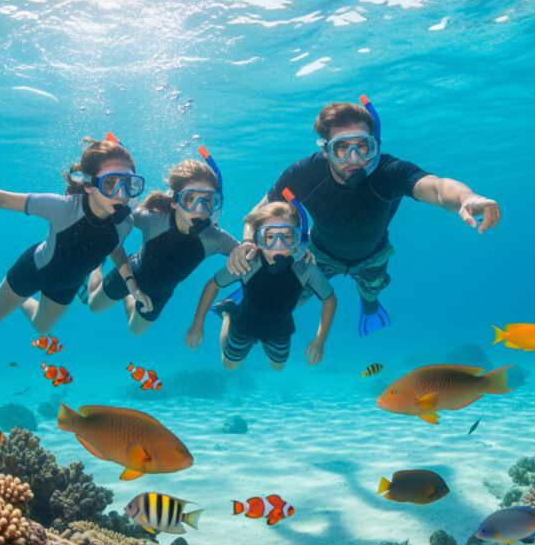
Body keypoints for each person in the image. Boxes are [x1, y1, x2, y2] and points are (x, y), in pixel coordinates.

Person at [227, 97, 501, 336]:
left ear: (375, 145)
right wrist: (248, 243)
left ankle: (369, 305)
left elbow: (438, 188)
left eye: (363, 146)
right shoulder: (304, 174)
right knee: (291, 300)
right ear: (325, 150)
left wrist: (467, 198)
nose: (354, 158)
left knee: (371, 291)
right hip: (319, 254)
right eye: (341, 147)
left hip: (374, 256)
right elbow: (256, 214)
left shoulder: (390, 171)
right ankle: (248, 307)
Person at [0, 134, 145, 333]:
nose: (121, 194)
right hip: (33, 272)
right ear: (89, 185)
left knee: (41, 328)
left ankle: (20, 300)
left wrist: (131, 284)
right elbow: (2, 199)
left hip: (67, 285)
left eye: (129, 184)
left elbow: (115, 248)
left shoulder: (125, 222)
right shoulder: (63, 208)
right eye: (110, 183)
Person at [86, 156, 238, 336]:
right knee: (94, 306)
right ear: (175, 201)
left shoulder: (216, 238)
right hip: (131, 273)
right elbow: (112, 210)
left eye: (207, 200)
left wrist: (248, 247)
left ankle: (130, 295)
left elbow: (249, 252)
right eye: (190, 198)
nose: (199, 209)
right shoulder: (154, 219)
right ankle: (97, 265)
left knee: (135, 331)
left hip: (160, 293)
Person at [186, 196, 337, 371]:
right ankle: (227, 312)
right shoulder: (249, 263)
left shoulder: (306, 269)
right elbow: (213, 285)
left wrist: (320, 340)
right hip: (243, 325)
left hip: (280, 330)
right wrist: (197, 323)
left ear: (298, 240)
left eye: (287, 237)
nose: (278, 245)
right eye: (269, 237)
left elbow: (330, 300)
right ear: (257, 240)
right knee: (229, 366)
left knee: (278, 368)